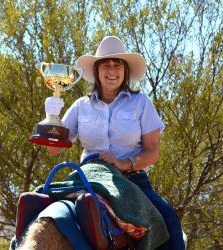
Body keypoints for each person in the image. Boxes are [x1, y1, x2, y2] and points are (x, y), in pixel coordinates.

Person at [45, 36, 185, 249]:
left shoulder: (141, 103)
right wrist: (51, 117)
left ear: (125, 71)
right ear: (97, 71)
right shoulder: (80, 106)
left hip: (131, 179)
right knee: (39, 209)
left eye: (117, 65)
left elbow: (152, 152)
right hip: (87, 177)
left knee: (169, 222)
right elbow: (53, 149)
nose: (111, 70)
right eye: (106, 65)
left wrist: (124, 163)